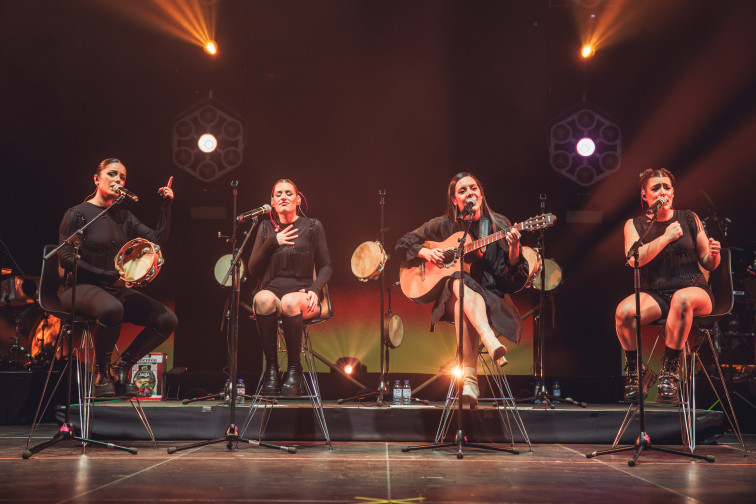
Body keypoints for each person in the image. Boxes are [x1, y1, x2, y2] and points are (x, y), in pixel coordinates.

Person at [395, 172, 529, 406]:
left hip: (489, 298)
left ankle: (470, 380)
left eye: (474, 188)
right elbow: (402, 241)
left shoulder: (499, 225)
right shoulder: (444, 225)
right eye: (463, 190)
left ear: (481, 193)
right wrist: (425, 252)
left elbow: (510, 280)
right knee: (457, 280)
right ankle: (488, 339)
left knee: (462, 301)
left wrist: (515, 247)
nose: (470, 193)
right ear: (454, 200)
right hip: (451, 295)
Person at [58, 158, 177, 397]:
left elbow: (157, 240)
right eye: (112, 174)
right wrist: (104, 275)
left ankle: (121, 368)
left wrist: (165, 206)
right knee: (112, 308)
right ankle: (101, 373)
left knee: (167, 320)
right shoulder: (78, 214)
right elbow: (65, 258)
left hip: (112, 290)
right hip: (79, 288)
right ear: (96, 178)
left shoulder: (125, 217)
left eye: (122, 177)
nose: (118, 180)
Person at [615, 168, 721, 403]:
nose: (662, 192)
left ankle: (670, 372)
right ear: (645, 195)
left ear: (673, 192)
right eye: (656, 188)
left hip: (695, 289)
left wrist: (713, 255)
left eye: (667, 187)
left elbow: (708, 262)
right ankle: (636, 372)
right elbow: (635, 259)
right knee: (624, 312)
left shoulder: (689, 217)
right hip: (656, 293)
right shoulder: (634, 224)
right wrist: (665, 237)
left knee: (681, 299)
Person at [247, 179, 332, 396]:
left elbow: (326, 266)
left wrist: (315, 288)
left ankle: (294, 368)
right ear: (272, 202)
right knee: (262, 299)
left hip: (303, 295)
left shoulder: (312, 226)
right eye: (278, 194)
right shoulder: (265, 227)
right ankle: (272, 368)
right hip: (273, 292)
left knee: (289, 302)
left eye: (288, 193)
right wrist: (272, 242)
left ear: (297, 199)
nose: (283, 197)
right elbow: (253, 270)